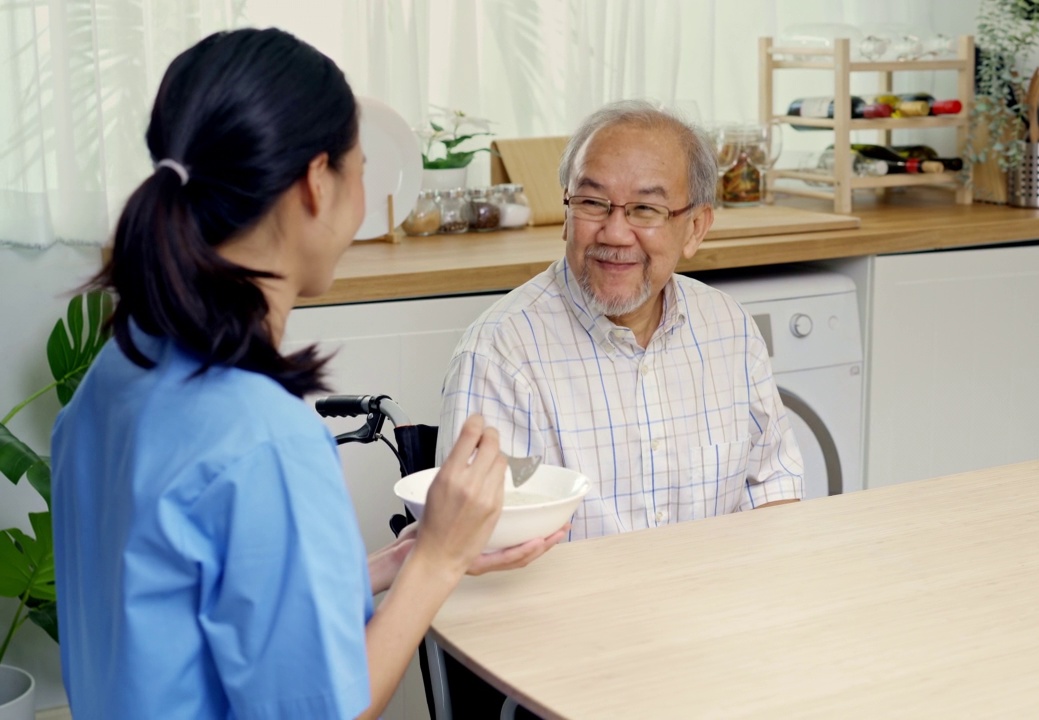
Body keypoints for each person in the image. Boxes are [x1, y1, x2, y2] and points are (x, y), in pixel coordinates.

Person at [50, 28, 564, 720]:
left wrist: (397, 563)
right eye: (361, 171)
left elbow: (185, 607)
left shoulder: (117, 370)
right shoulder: (265, 436)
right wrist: (440, 558)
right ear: (316, 183)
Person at [437, 99, 804, 541]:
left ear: (695, 228)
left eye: (645, 210)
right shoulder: (501, 353)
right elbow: (478, 541)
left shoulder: (730, 329)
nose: (614, 233)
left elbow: (773, 489)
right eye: (593, 203)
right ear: (566, 213)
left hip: (713, 598)